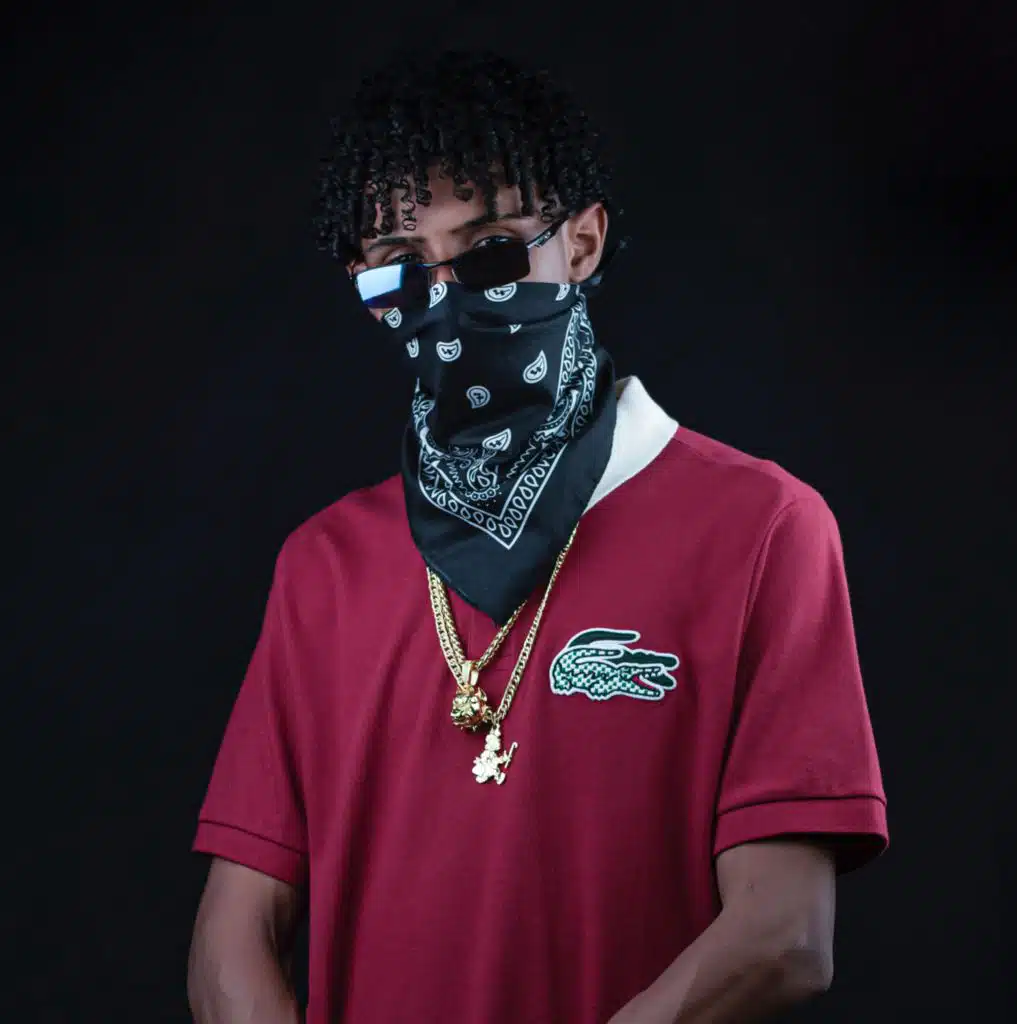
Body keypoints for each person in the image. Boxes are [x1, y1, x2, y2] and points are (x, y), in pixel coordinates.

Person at [187, 50, 888, 1024]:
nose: (448, 295)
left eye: (490, 250)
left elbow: (786, 933)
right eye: (402, 263)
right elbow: (231, 943)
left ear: (583, 243)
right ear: (364, 281)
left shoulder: (760, 527)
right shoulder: (324, 563)